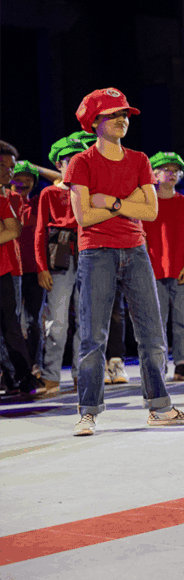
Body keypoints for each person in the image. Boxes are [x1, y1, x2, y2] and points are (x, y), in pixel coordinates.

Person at [64, 88, 184, 435]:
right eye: (113, 114)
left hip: (136, 249)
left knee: (152, 333)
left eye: (124, 113)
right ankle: (88, 412)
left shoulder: (139, 159)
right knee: (93, 336)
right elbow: (83, 217)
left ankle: (160, 408)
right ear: (94, 121)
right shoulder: (81, 162)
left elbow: (151, 211)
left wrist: (110, 201)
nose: (122, 119)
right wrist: (129, 201)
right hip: (96, 251)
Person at [35, 136, 90, 397]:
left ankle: (82, 374)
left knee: (86, 320)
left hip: (87, 253)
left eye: (80, 160)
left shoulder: (88, 190)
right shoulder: (48, 193)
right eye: (69, 160)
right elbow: (39, 231)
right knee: (56, 321)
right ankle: (51, 375)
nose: (75, 165)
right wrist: (41, 267)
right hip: (58, 254)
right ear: (59, 164)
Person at [143, 152, 184, 381]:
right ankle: (159, 363)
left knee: (183, 318)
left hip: (179, 269)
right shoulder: (147, 203)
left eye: (175, 171)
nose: (172, 174)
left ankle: (183, 362)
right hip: (154, 270)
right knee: (157, 320)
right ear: (155, 174)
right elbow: (142, 238)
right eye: (166, 170)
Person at [0, 142, 35, 397]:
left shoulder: (8, 199)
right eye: (3, 165)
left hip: (7, 269)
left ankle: (23, 376)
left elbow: (14, 229)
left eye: (11, 167)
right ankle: (9, 376)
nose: (9, 172)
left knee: (12, 324)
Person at [10, 160, 44, 379]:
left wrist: (35, 167)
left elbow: (63, 180)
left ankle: (34, 365)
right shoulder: (5, 201)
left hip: (33, 269)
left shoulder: (39, 203)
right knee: (11, 321)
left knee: (34, 322)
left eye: (28, 179)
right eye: (18, 178)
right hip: (10, 270)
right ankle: (12, 369)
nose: (22, 183)